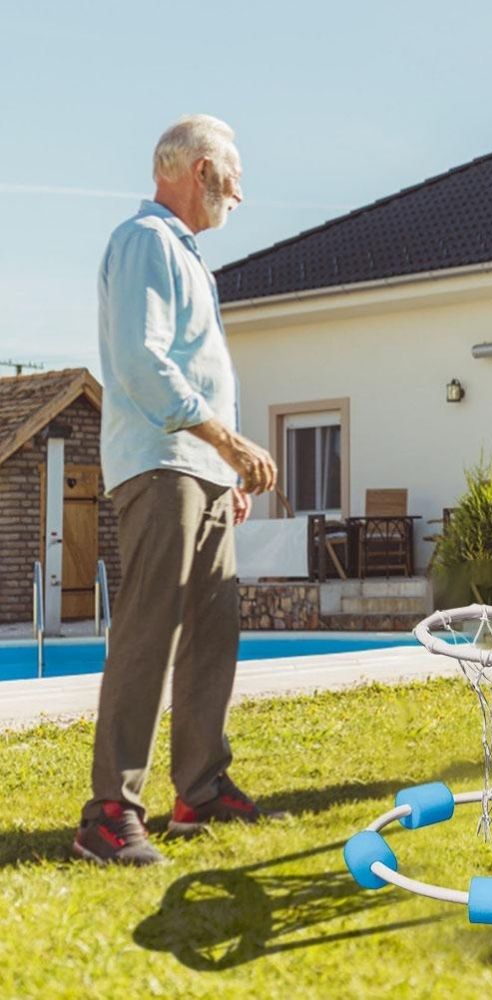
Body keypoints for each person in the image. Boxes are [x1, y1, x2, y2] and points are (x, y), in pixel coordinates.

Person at [74, 115, 279, 866]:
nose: (240, 193)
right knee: (149, 632)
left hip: (201, 470)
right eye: (234, 174)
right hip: (163, 465)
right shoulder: (147, 244)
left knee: (211, 633)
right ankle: (107, 813)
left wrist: (225, 469)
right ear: (199, 170)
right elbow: (140, 359)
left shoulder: (189, 258)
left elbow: (195, 371)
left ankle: (200, 788)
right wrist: (224, 441)